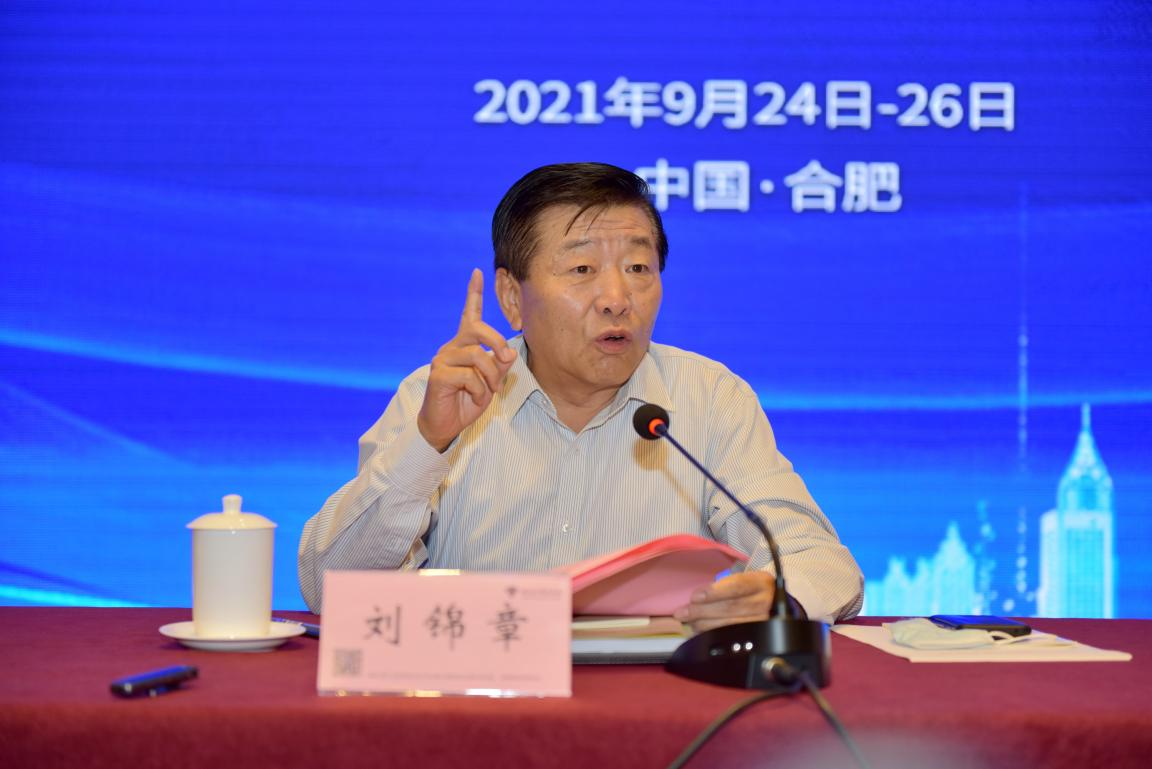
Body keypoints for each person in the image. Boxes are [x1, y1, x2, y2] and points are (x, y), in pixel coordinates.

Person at [298, 162, 863, 627]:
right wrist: (429, 444)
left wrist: (777, 599)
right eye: (582, 268)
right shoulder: (441, 397)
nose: (617, 297)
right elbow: (332, 590)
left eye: (638, 267)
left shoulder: (709, 397)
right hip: (483, 700)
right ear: (512, 298)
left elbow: (819, 560)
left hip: (661, 703)